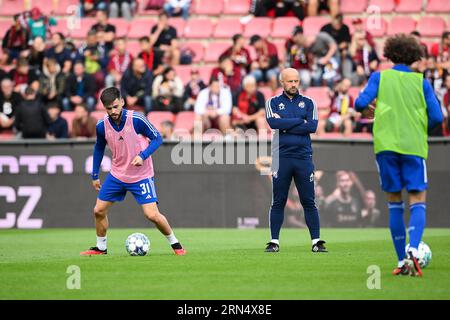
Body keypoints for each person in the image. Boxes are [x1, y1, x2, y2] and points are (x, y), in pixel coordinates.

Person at [355, 34, 443, 276]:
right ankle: (413, 250)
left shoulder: (379, 77)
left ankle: (401, 261)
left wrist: (371, 108)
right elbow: (437, 118)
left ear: (389, 54)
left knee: (394, 203)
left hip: (386, 147)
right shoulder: (421, 82)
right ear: (415, 56)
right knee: (417, 199)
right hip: (413, 146)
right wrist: (416, 123)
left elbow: (358, 103)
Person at [80, 87, 186, 256]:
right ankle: (101, 247)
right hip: (117, 174)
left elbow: (157, 138)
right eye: (109, 108)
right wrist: (95, 175)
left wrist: (143, 156)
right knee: (98, 210)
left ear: (122, 102)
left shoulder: (136, 119)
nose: (113, 111)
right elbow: (99, 148)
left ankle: (176, 245)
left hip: (141, 175)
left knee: (152, 215)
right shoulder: (102, 126)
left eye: (115, 106)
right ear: (104, 108)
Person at [264, 68, 327, 253]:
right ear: (282, 82)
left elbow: (313, 126)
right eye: (290, 81)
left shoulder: (309, 103)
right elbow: (273, 123)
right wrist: (300, 121)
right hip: (281, 158)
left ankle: (316, 241)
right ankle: (274, 241)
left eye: (296, 81)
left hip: (303, 158)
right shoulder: (272, 102)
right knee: (279, 201)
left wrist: (285, 122)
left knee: (309, 200)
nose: (293, 85)